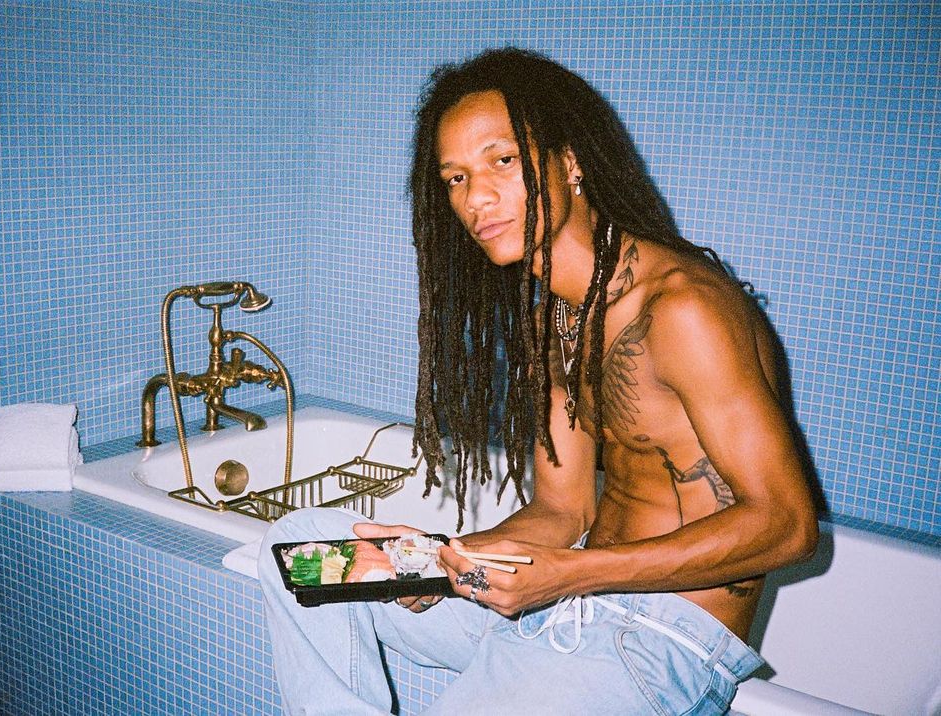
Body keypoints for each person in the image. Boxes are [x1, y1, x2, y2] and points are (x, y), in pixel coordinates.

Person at [258, 47, 819, 715]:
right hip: (569, 601)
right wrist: (440, 562)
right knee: (297, 547)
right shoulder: (558, 317)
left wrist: (572, 575)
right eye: (456, 177)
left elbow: (788, 526)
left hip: (657, 642)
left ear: (571, 162)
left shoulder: (684, 310)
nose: (477, 198)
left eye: (502, 161)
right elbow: (564, 512)